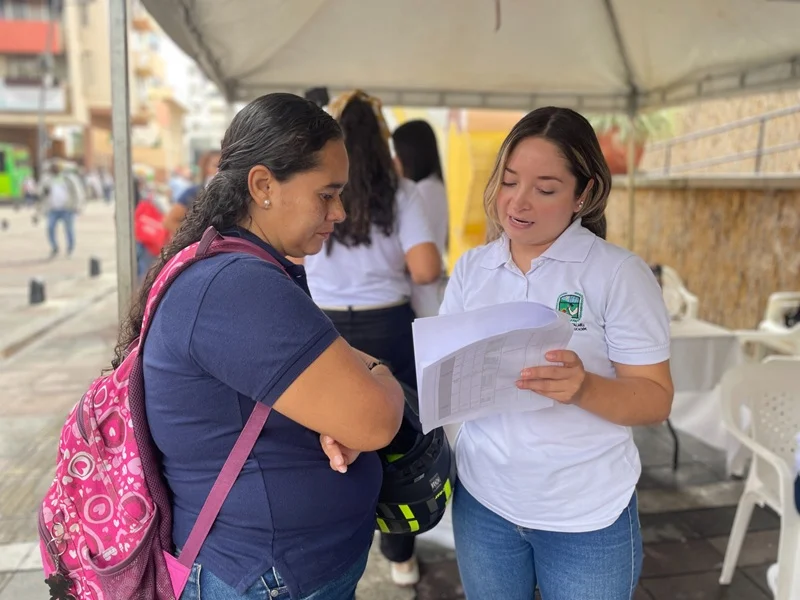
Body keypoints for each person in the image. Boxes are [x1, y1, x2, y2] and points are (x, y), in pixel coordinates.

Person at [115, 92, 407, 600]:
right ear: (263, 185)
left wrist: (342, 407)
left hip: (275, 571)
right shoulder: (236, 286)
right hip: (260, 577)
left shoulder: (246, 268)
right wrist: (381, 374)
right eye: (327, 193)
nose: (339, 211)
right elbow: (377, 420)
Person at [442, 107, 675, 599]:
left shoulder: (617, 274)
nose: (518, 203)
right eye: (508, 182)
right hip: (485, 501)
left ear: (584, 194)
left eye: (545, 189)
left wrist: (585, 387)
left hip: (586, 514)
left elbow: (655, 399)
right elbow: (446, 376)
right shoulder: (473, 269)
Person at [303, 90, 442, 586]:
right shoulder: (401, 192)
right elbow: (426, 268)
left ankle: (334, 552)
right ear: (383, 139)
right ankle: (399, 554)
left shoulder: (317, 188)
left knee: (324, 440)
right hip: (388, 327)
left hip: (323, 329)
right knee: (399, 440)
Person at [392, 120, 449, 318]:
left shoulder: (424, 190)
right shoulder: (430, 187)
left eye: (396, 152)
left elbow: (417, 255)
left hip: (422, 298)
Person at [164, 150, 221, 235]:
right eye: (215, 166)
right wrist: (195, 237)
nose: (219, 170)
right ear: (205, 168)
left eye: (224, 166)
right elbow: (169, 222)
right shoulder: (193, 193)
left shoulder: (233, 195)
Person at [40, 163, 80, 258]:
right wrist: (44, 191)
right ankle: (54, 247)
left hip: (67, 208)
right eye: (52, 168)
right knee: (50, 228)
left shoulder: (68, 179)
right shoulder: (47, 180)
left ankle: (70, 248)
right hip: (53, 209)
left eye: (56, 168)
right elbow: (41, 192)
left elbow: (76, 192)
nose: (54, 170)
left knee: (69, 230)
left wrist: (76, 205)